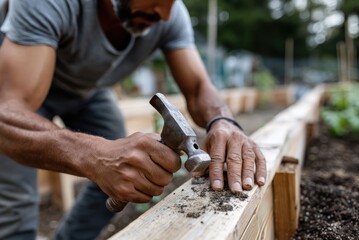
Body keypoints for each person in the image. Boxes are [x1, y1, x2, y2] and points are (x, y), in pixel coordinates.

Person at [0, 0, 267, 239]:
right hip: (16, 90)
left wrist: (223, 120)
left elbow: (198, 88)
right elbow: (6, 115)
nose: (163, 14)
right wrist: (95, 155)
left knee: (119, 181)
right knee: (15, 204)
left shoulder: (169, 14)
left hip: (89, 91)